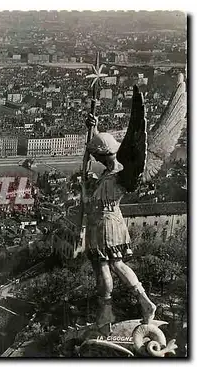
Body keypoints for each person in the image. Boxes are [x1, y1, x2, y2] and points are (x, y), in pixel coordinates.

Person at [83, 114, 156, 333]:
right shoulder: (115, 174)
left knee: (103, 267)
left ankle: (106, 316)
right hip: (114, 221)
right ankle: (144, 301)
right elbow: (97, 155)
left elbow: (87, 164)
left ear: (101, 157)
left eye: (96, 156)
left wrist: (92, 141)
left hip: (102, 225)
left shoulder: (111, 176)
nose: (94, 158)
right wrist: (93, 130)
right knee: (117, 264)